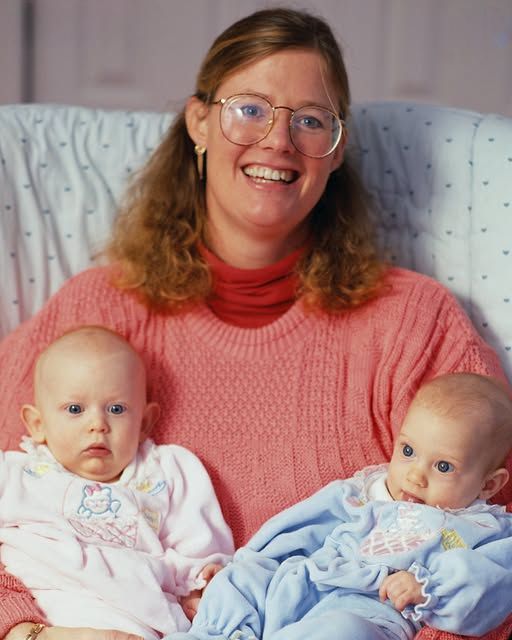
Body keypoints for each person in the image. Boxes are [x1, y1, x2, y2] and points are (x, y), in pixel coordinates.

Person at [0, 6, 510, 640]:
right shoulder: (93, 316)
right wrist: (28, 631)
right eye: (249, 109)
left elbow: (493, 560)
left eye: (310, 120)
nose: (278, 140)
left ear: (336, 149)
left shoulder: (412, 324)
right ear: (199, 123)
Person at [164, 373, 512, 640]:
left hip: (370, 608)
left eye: (443, 467)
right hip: (304, 581)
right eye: (408, 451)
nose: (415, 476)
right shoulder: (363, 492)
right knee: (241, 579)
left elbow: (491, 582)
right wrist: (246, 562)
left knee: (344, 630)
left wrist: (429, 588)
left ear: (489, 484)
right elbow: (300, 528)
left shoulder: (482, 528)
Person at [0, 326, 233, 639]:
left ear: (144, 422)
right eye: (75, 409)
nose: (98, 424)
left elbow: (199, 546)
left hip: (140, 619)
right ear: (38, 424)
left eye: (116, 409)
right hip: (48, 612)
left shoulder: (166, 472)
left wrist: (200, 582)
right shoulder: (16, 475)